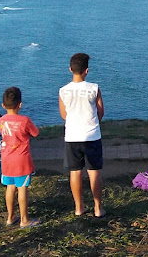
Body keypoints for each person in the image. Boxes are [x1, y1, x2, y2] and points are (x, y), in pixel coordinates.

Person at [59, 52, 106, 217]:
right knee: (94, 172)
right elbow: (101, 111)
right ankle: (98, 207)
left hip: (72, 135)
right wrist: (94, 121)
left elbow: (64, 115)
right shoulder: (94, 88)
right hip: (92, 134)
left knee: (75, 172)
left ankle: (79, 207)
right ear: (87, 70)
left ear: (70, 69)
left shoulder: (63, 91)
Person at [0, 86, 40, 227]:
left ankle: (10, 217)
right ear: (20, 105)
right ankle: (24, 219)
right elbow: (35, 133)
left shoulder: (1, 120)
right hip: (21, 160)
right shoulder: (25, 120)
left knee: (10, 187)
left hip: (6, 159)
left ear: (3, 105)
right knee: (22, 188)